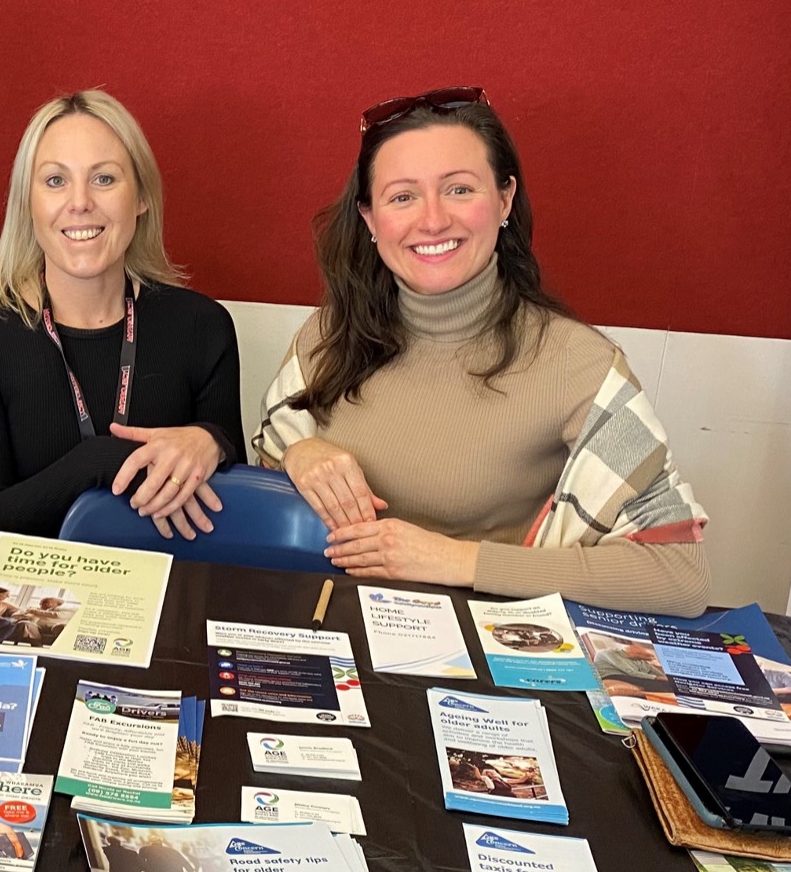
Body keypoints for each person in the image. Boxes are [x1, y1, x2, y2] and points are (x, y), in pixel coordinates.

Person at [253, 88, 709, 616]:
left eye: (459, 189)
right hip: (332, 631)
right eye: (402, 197)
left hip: (491, 658)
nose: (432, 220)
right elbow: (264, 494)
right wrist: (297, 455)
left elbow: (681, 574)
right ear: (371, 220)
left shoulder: (579, 364)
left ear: (505, 199)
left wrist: (455, 561)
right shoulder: (325, 336)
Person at [0, 90, 243, 542]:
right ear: (29, 203)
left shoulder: (203, 327)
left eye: (104, 179)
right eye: (55, 181)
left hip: (169, 591)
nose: (79, 202)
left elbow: (231, 505)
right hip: (31, 602)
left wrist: (213, 441)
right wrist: (98, 462)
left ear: (140, 197)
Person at [590, 639, 673, 697]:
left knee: (668, 684)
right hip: (613, 674)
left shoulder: (641, 661)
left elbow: (656, 672)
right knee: (655, 684)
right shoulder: (608, 653)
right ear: (632, 648)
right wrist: (658, 678)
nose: (650, 656)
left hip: (630, 676)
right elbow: (630, 672)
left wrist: (668, 679)